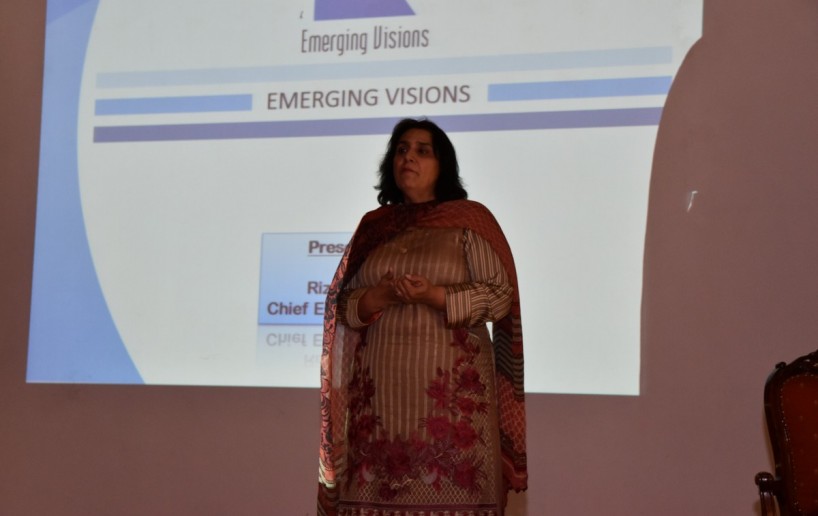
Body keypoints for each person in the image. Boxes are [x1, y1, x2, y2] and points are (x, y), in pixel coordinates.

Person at [318, 118, 527, 515]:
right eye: (401, 150)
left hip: (449, 412)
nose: (408, 157)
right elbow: (341, 309)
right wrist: (378, 296)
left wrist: (435, 295)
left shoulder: (469, 221)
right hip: (377, 409)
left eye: (421, 150)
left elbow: (500, 297)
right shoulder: (373, 228)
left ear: (442, 165)